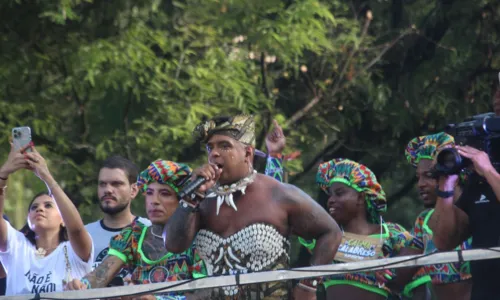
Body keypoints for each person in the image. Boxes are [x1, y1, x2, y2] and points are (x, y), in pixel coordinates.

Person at [163, 114, 342, 300]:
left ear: (248, 153)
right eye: (210, 147)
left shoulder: (279, 194)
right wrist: (192, 198)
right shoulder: (200, 201)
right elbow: (173, 245)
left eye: (224, 146)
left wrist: (309, 285)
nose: (214, 153)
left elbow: (331, 233)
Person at [65, 160, 206, 299]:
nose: (154, 201)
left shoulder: (197, 240)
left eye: (164, 193)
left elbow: (206, 293)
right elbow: (100, 275)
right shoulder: (133, 236)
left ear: (182, 200)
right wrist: (82, 286)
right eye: (149, 193)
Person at [297, 158, 422, 300]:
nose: (330, 200)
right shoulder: (327, 237)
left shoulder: (391, 234)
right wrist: (275, 156)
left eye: (339, 193)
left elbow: (419, 285)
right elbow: (277, 210)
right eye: (330, 195)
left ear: (361, 197)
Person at [0, 143, 93, 295]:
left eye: (48, 205)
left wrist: (46, 175)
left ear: (63, 218)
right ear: (28, 217)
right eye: (34, 207)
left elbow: (76, 229)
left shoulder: (74, 250)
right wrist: (2, 174)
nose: (40, 209)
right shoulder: (16, 247)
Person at [403, 132, 472, 300]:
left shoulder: (477, 210)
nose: (420, 184)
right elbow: (401, 267)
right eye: (418, 177)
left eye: (429, 176)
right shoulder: (424, 220)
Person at [85, 155, 151, 283]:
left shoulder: (150, 231)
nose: (108, 190)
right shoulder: (84, 235)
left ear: (134, 190)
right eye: (102, 184)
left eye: (116, 184)